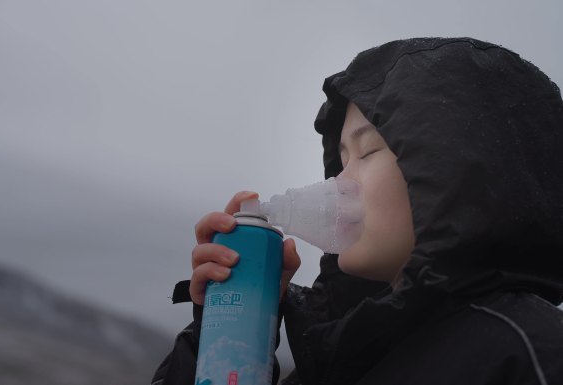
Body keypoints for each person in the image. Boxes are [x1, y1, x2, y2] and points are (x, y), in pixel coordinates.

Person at [151, 37, 563, 385]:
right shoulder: (348, 352)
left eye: (367, 151)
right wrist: (219, 335)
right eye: (341, 160)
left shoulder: (528, 351)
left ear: (459, 174)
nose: (338, 183)